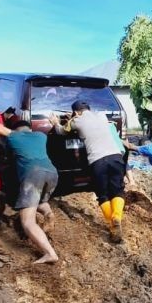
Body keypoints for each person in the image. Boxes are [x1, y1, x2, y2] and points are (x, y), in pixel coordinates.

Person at [49, 101, 126, 243]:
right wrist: (73, 117)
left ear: (76, 112)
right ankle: (117, 216)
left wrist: (55, 122)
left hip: (98, 161)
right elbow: (88, 121)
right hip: (116, 157)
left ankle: (111, 224)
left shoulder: (76, 121)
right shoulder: (102, 116)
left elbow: (61, 131)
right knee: (118, 191)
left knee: (103, 195)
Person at [6, 121, 59, 265]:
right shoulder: (41, 136)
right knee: (40, 201)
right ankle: (49, 214)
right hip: (52, 173)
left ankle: (50, 253)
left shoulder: (15, 137)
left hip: (33, 174)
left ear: (17, 130)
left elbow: (1, 133)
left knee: (28, 221)